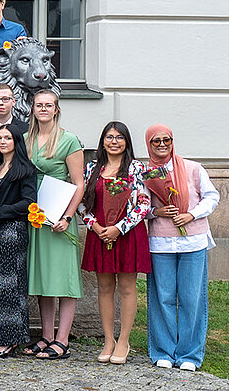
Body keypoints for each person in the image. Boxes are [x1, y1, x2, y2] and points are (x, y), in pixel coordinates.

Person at [141, 124, 220, 371]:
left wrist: (191, 215)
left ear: (173, 141)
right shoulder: (144, 173)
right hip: (161, 242)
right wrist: (157, 211)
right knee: (162, 297)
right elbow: (140, 205)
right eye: (156, 141)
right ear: (149, 144)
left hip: (192, 240)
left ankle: (189, 354)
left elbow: (212, 196)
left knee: (191, 298)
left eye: (167, 139)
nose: (162, 144)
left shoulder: (193, 168)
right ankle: (163, 350)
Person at [80, 121, 150, 365]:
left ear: (127, 142)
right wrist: (95, 226)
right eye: (109, 137)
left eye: (119, 137)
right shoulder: (91, 168)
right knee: (105, 287)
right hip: (100, 233)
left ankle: (124, 340)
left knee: (128, 287)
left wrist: (118, 228)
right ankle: (108, 339)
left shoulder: (136, 168)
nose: (114, 141)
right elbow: (82, 203)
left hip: (127, 234)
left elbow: (143, 203)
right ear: (103, 141)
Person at [23, 90, 84, 361]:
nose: (44, 109)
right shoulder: (26, 139)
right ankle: (47, 335)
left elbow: (78, 183)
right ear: (33, 108)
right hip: (36, 216)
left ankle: (63, 338)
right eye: (39, 105)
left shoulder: (68, 140)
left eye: (49, 105)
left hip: (60, 218)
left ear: (56, 109)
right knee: (43, 277)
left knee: (63, 278)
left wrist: (68, 217)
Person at [0, 125, 37, 356]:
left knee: (10, 287)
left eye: (8, 138)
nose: (3, 141)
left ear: (16, 141)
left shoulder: (25, 169)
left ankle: (11, 339)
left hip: (12, 231)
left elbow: (28, 202)